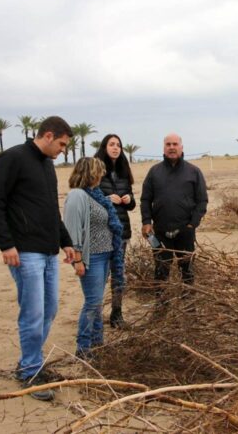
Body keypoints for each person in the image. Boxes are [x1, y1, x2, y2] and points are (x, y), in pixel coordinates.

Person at [0, 116, 75, 402]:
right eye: (61, 144)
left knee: (49, 310)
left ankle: (29, 361)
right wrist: (5, 244)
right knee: (33, 313)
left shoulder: (48, 167)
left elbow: (51, 210)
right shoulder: (12, 158)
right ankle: (31, 372)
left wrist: (66, 242)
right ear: (48, 136)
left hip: (48, 251)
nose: (63, 150)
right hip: (24, 252)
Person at [64, 157, 124, 359]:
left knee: (97, 302)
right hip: (93, 258)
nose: (102, 175)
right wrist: (78, 259)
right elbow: (72, 230)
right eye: (99, 171)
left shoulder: (95, 195)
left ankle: (97, 342)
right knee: (92, 302)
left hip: (106, 255)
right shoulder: (77, 195)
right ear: (90, 172)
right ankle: (83, 347)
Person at [140, 133, 208, 303]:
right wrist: (146, 221)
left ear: (181, 147)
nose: (172, 147)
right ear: (164, 148)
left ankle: (188, 308)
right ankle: (161, 307)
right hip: (160, 233)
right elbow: (145, 199)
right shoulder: (154, 172)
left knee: (187, 271)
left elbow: (202, 201)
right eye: (168, 144)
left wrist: (193, 224)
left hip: (185, 231)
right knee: (161, 272)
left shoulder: (194, 172)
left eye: (175, 144)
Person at [94, 134, 136, 329]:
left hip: (122, 231)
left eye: (118, 145)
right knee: (101, 275)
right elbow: (89, 198)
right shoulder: (95, 172)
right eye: (111, 144)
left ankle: (116, 314)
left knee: (119, 274)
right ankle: (95, 314)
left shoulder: (123, 172)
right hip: (102, 232)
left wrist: (129, 200)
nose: (116, 148)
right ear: (104, 147)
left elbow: (132, 204)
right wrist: (106, 199)